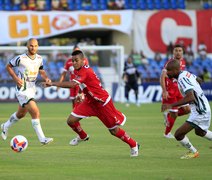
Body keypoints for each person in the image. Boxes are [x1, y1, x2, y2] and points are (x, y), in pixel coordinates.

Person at [44, 50, 140, 157]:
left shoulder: (85, 71)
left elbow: (72, 84)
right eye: (73, 61)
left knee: (113, 131)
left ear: (83, 60)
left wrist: (52, 83)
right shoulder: (77, 70)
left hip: (102, 103)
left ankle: (134, 144)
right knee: (71, 121)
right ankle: (83, 136)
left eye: (76, 60)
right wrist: (81, 94)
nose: (74, 63)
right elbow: (83, 85)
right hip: (90, 102)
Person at [1, 38, 53, 145]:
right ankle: (42, 139)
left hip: (31, 89)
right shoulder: (21, 58)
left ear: (38, 46)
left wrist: (46, 78)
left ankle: (5, 126)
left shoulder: (39, 58)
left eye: (35, 46)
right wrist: (16, 79)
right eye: (31, 46)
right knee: (35, 111)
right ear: (27, 46)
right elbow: (8, 67)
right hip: (22, 89)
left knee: (21, 114)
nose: (33, 48)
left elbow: (42, 71)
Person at [162, 59, 212, 159]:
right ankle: (193, 151)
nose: (167, 73)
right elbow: (199, 80)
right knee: (200, 132)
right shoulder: (185, 73)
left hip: (199, 111)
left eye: (169, 70)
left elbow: (191, 97)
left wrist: (171, 105)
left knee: (178, 134)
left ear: (176, 70)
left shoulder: (181, 78)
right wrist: (197, 90)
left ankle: (193, 152)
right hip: (202, 107)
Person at [160, 44, 190, 138]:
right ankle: (167, 133)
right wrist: (164, 91)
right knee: (175, 113)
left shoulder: (183, 62)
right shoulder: (170, 63)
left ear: (182, 52)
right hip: (171, 91)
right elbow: (162, 76)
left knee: (187, 110)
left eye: (180, 50)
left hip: (179, 91)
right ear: (173, 52)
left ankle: (168, 116)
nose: (178, 52)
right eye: (176, 50)